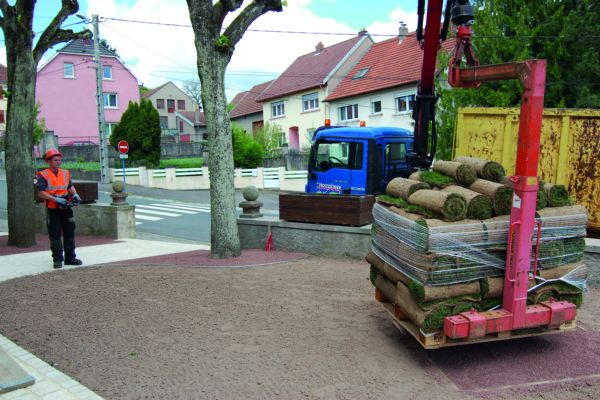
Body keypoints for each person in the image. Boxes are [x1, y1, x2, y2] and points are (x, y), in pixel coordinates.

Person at [36, 149, 83, 269]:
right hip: (52, 207)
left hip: (65, 206)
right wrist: (54, 199)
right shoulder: (43, 175)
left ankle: (70, 258)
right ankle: (57, 259)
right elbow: (40, 192)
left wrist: (75, 195)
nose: (58, 162)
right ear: (48, 161)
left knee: (69, 231)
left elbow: (69, 186)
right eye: (55, 160)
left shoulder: (64, 173)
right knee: (55, 233)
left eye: (59, 160)